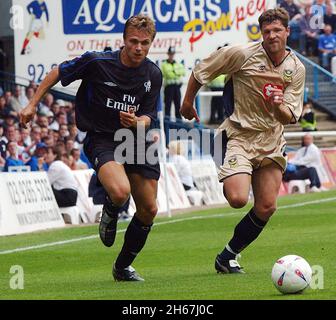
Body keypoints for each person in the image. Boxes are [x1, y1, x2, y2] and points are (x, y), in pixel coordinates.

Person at [19, 14, 162, 282]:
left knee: (149, 210)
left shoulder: (153, 73)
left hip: (136, 140)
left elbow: (148, 117)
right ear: (124, 40)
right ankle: (110, 209)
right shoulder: (97, 62)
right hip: (103, 137)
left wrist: (137, 121)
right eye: (133, 41)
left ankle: (123, 267)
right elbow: (57, 72)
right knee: (120, 193)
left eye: (144, 43)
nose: (138, 48)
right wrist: (32, 104)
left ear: (151, 43)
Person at [180, 8, 305, 274]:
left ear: (287, 32)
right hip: (239, 135)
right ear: (262, 33)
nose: (272, 35)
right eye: (267, 31)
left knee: (267, 206)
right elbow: (202, 70)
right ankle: (232, 170)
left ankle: (227, 256)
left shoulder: (296, 68)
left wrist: (277, 103)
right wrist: (188, 102)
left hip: (272, 140)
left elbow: (290, 116)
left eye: (277, 30)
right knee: (237, 199)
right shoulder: (242, 54)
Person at [161, 46, 186, 120]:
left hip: (177, 87)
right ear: (168, 54)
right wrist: (176, 73)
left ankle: (179, 124)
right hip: (169, 88)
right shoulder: (164, 64)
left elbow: (183, 72)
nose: (171, 55)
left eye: (172, 54)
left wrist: (174, 72)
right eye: (170, 54)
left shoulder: (178, 63)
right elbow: (168, 75)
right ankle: (167, 125)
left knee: (178, 106)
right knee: (168, 106)